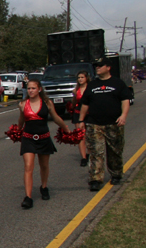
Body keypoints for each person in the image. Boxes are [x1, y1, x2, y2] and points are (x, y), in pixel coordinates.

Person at [77, 57, 131, 191]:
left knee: (115, 150)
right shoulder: (92, 85)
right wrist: (81, 120)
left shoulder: (118, 83)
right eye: (96, 66)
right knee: (96, 152)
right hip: (95, 124)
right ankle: (95, 179)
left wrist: (123, 115)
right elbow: (85, 103)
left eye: (100, 65)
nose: (98, 68)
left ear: (108, 67)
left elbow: (125, 100)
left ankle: (116, 174)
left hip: (114, 123)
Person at [17, 81, 70, 209]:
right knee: (28, 166)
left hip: (44, 138)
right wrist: (17, 131)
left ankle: (44, 187)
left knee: (44, 165)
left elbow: (56, 118)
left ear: (39, 89)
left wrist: (66, 128)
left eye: (33, 88)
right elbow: (21, 120)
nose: (31, 91)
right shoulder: (23, 104)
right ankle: (28, 197)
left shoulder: (47, 103)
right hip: (28, 139)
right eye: (29, 88)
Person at [72, 71, 90, 167]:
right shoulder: (76, 90)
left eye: (82, 77)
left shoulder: (90, 89)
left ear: (86, 78)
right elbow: (74, 103)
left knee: (90, 135)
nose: (80, 79)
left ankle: (89, 153)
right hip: (78, 113)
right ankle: (83, 157)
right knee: (80, 136)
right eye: (79, 77)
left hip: (89, 113)